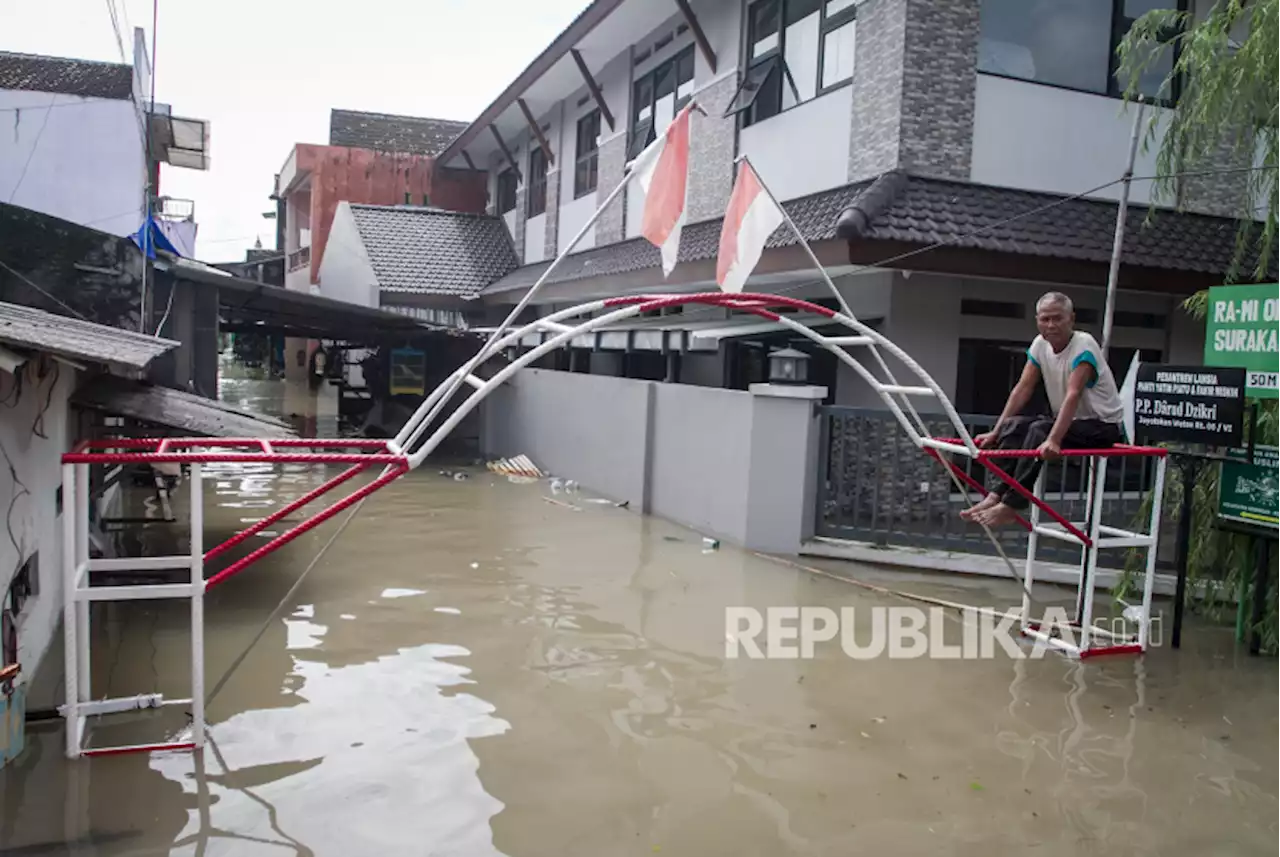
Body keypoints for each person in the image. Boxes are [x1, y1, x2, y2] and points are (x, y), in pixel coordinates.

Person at [961, 291, 1125, 527]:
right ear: (1037, 320)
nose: (1051, 325)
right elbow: (1023, 388)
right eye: (1044, 319)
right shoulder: (1040, 344)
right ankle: (998, 494)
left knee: (1039, 430)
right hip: (1073, 424)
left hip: (1102, 426)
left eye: (1057, 318)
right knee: (1014, 427)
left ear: (1071, 319)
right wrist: (996, 432)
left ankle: (1013, 504)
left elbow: (1073, 393)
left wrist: (1054, 439)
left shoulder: (1083, 345)